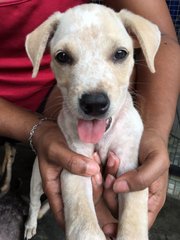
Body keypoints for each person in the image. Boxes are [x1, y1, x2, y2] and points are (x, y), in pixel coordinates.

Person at [0, 0, 179, 238]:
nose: (94, 95)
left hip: (47, 93)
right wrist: (38, 131)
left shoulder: (130, 122)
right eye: (64, 57)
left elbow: (165, 37)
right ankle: (32, 211)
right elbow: (75, 173)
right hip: (30, 103)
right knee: (43, 183)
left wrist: (155, 131)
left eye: (119, 54)